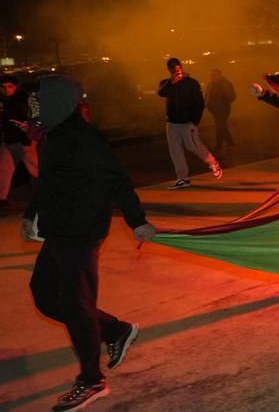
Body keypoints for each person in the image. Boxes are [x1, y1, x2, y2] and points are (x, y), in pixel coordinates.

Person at [21, 76, 158, 412]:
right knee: (44, 295)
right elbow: (47, 181)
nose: (35, 106)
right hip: (58, 230)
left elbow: (117, 179)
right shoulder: (53, 136)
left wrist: (136, 220)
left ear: (60, 102)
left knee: (75, 304)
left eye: (42, 99)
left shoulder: (84, 139)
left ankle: (92, 380)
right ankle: (115, 329)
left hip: (82, 230)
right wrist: (31, 214)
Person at [157, 58, 222, 189]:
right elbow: (161, 93)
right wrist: (172, 82)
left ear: (181, 67)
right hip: (172, 123)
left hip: (187, 123)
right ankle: (183, 178)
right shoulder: (166, 83)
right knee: (175, 151)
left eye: (177, 67)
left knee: (193, 145)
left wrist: (194, 121)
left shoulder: (191, 83)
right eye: (172, 68)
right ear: (169, 70)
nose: (175, 70)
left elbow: (199, 103)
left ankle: (212, 162)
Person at [1, 75, 38, 211]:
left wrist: (28, 140)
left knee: (34, 167)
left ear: (15, 87)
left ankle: (55, 191)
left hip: (22, 141)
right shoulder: (5, 101)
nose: (6, 90)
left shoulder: (21, 101)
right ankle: (2, 199)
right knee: (4, 170)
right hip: (8, 141)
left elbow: (27, 121)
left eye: (10, 86)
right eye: (4, 87)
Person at [206, 69, 237, 153]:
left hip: (223, 109)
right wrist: (207, 104)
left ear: (220, 75)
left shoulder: (225, 84)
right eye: (212, 75)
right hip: (214, 110)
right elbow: (207, 96)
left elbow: (232, 96)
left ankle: (224, 145)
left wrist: (223, 102)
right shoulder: (211, 85)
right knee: (220, 126)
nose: (212, 77)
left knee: (220, 126)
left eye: (214, 75)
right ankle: (225, 145)